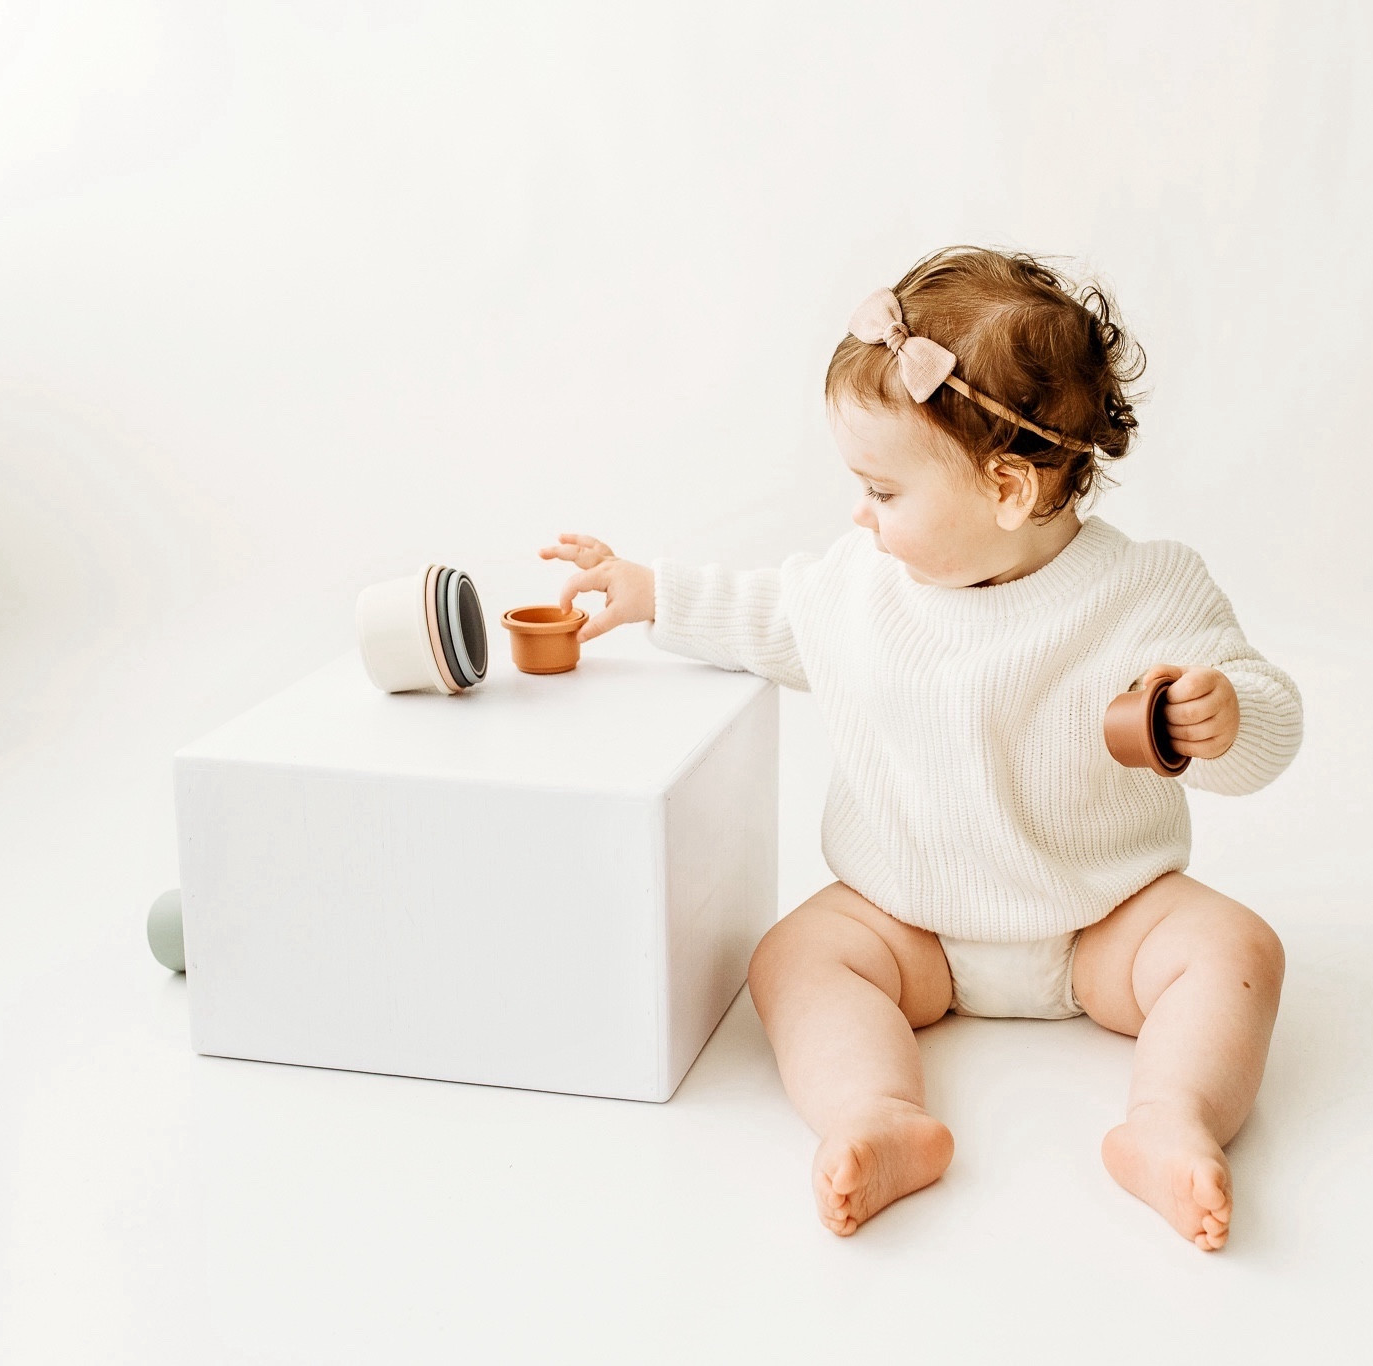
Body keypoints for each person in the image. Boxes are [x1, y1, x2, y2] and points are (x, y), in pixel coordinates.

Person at [539, 245, 1302, 1250]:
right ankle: (874, 1109)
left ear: (1006, 490)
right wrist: (652, 594)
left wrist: (1228, 715)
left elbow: (1269, 728)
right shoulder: (860, 589)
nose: (859, 513)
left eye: (885, 493)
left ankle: (1169, 1116)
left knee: (1233, 950)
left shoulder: (1145, 593)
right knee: (795, 958)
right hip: (909, 931)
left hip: (1103, 923)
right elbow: (765, 615)